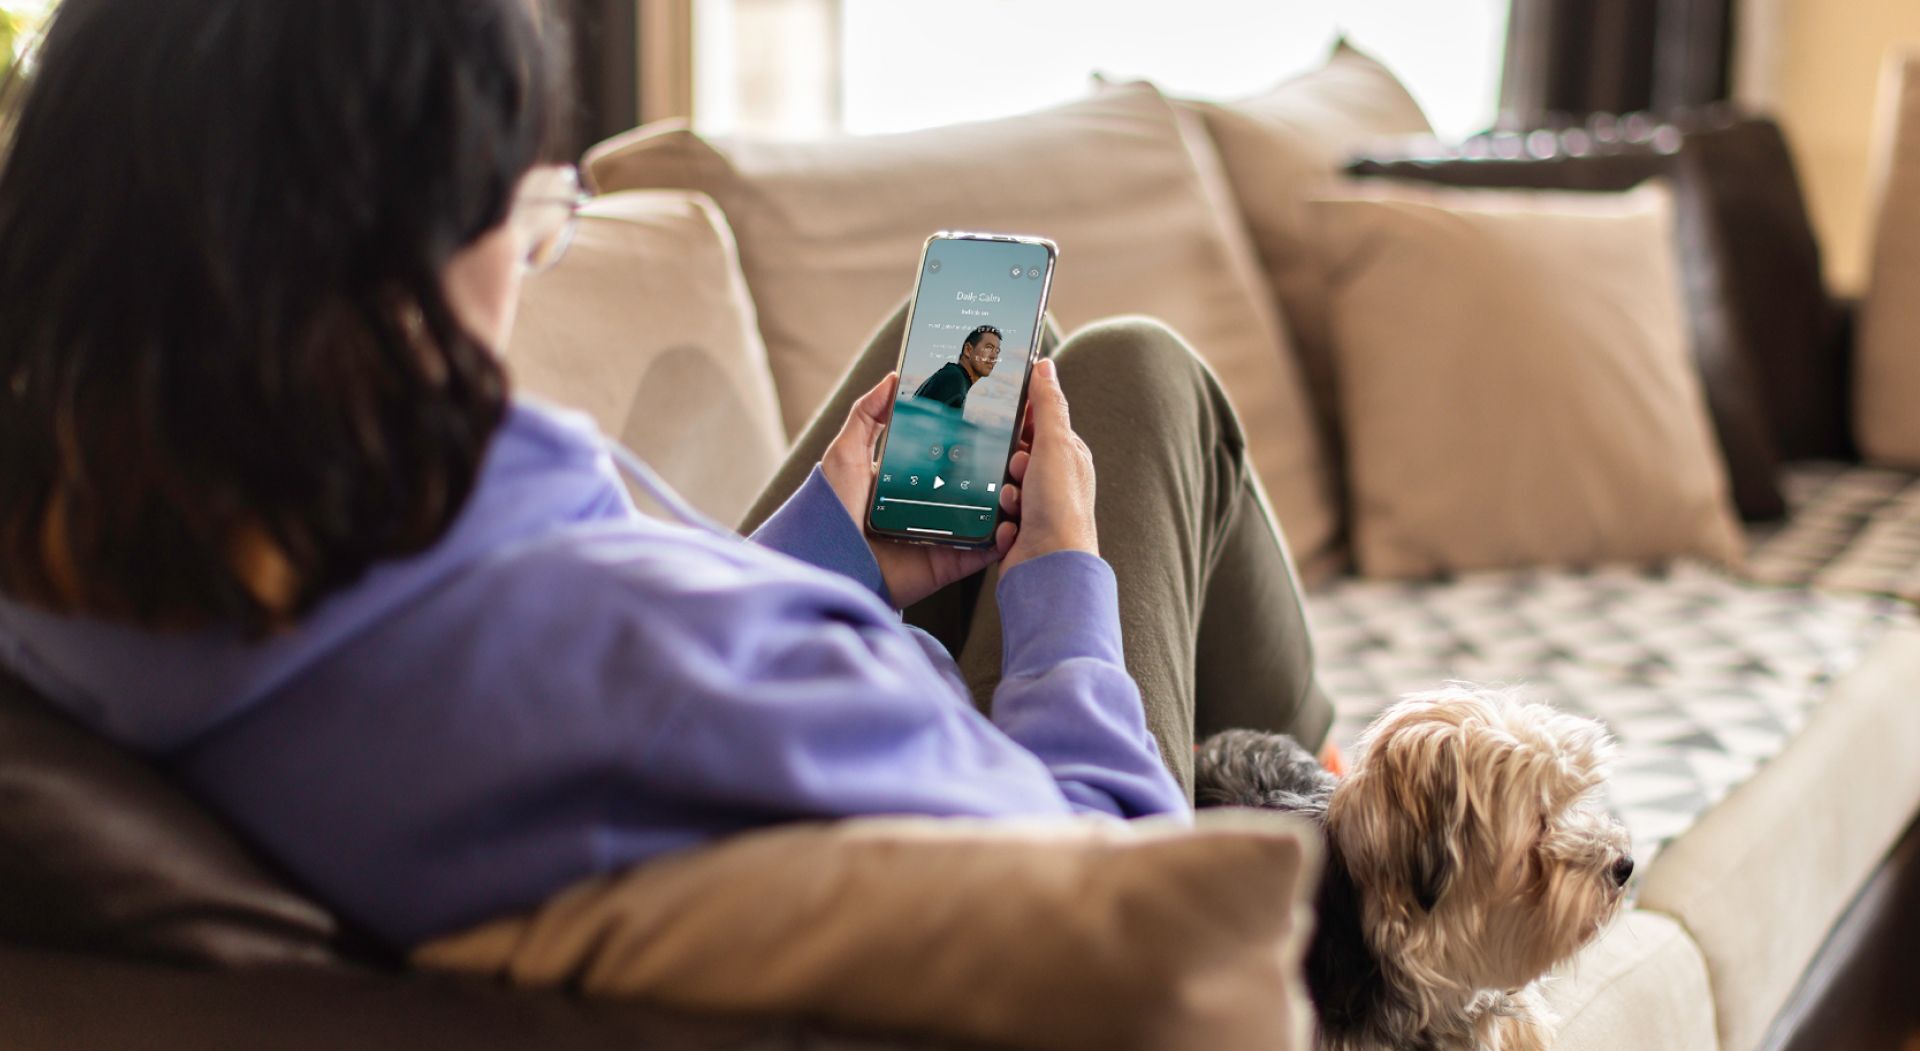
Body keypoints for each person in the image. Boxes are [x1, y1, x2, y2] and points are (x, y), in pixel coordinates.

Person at [0, 0, 1331, 951]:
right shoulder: (630, 670)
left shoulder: (91, 573)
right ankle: (1328, 790)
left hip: (682, 712)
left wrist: (832, 561)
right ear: (395, 255)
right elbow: (1131, 908)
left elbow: (629, 638)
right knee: (1141, 378)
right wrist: (1059, 596)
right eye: (524, 211)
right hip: (1059, 832)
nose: (533, 256)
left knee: (1002, 358)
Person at [911, 324, 1000, 409]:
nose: (994, 357)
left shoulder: (954, 376)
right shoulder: (954, 378)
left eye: (997, 351)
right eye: (988, 347)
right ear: (968, 350)